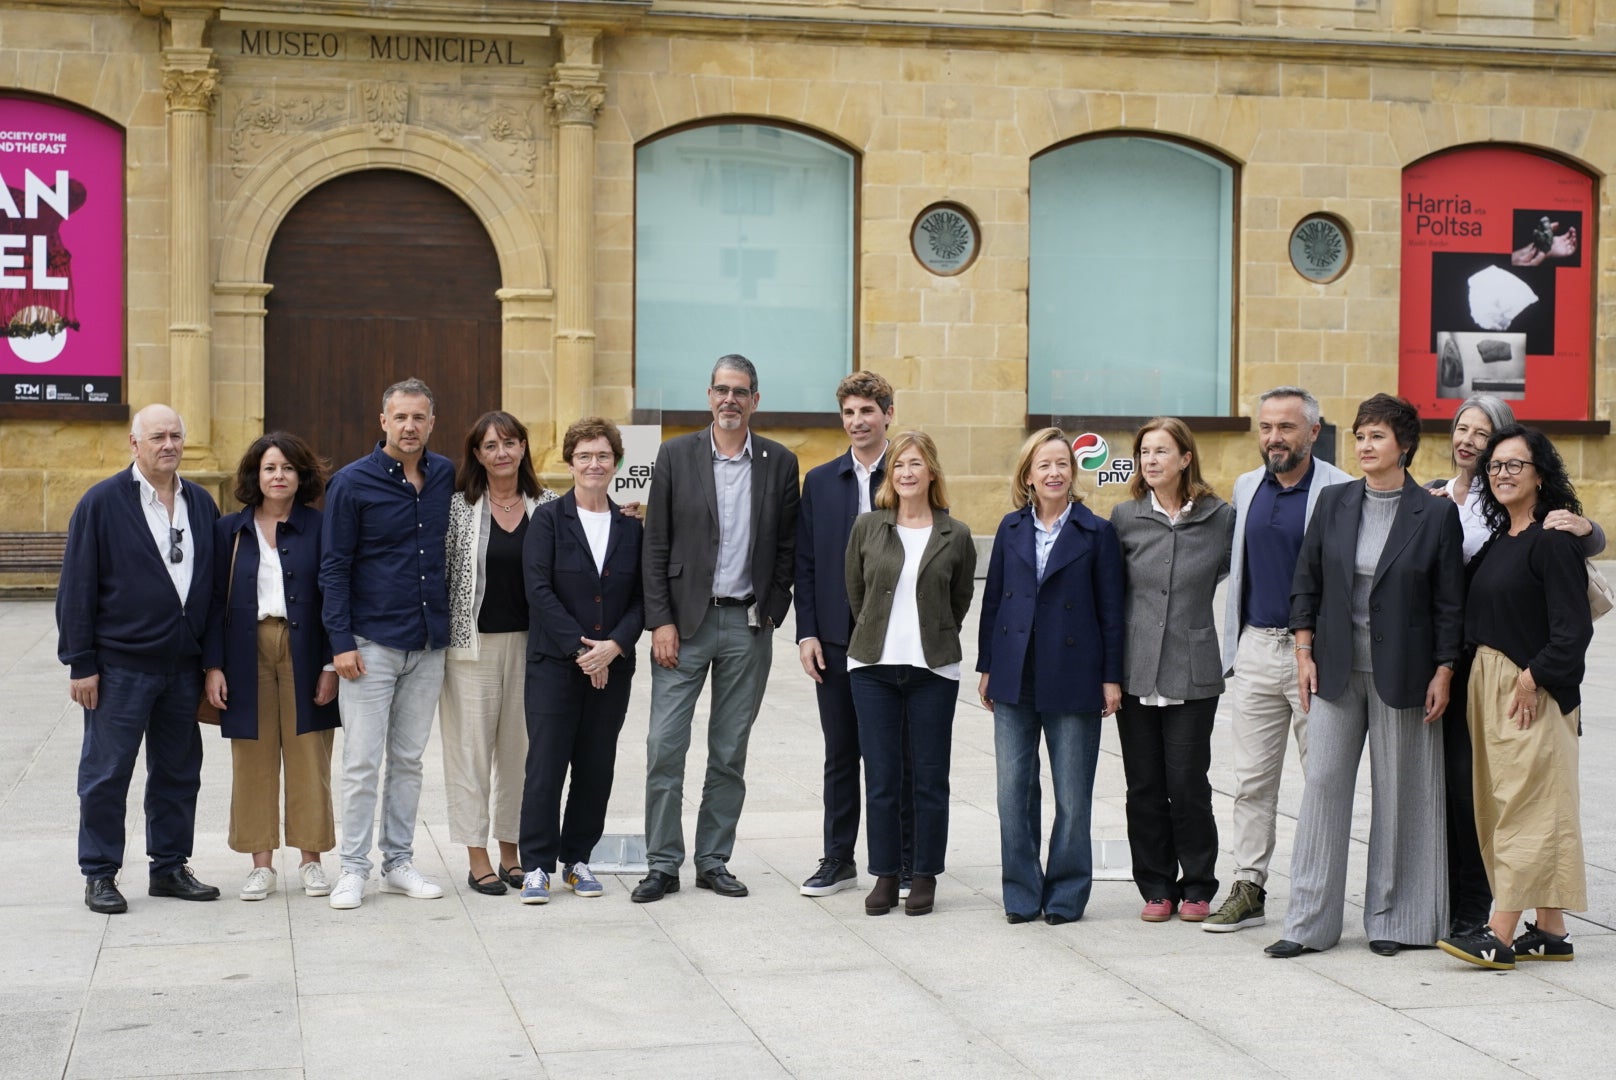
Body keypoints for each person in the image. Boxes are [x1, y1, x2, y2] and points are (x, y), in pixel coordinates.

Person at [1267, 393, 1464, 959]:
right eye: (1359, 436)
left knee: (1401, 794)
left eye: (1376, 436)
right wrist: (1303, 651)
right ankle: (1308, 923)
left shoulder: (1435, 512)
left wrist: (1445, 669)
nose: (1364, 446)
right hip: (1334, 669)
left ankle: (1396, 920)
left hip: (1405, 671)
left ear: (1403, 444)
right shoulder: (1333, 501)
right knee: (1324, 785)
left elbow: (1450, 601)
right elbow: (1307, 581)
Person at [1427, 395, 1603, 937]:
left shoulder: (1555, 538)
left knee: (1525, 806)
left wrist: (1531, 678)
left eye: (1514, 464)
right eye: (1496, 466)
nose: (1502, 473)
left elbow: (1574, 631)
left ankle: (1499, 930)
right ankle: (1550, 929)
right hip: (1488, 682)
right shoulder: (1504, 535)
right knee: (1508, 802)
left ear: (1539, 474)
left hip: (1529, 688)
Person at [635, 354, 800, 903]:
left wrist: (773, 607)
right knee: (665, 745)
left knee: (729, 750)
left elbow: (786, 547)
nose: (730, 400)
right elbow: (655, 543)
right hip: (684, 624)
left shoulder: (779, 462)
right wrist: (659, 620)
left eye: (741, 391)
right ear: (709, 396)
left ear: (756, 399)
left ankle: (712, 860)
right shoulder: (675, 455)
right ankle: (662, 863)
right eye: (722, 390)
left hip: (748, 625)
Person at [58, 404, 221, 913]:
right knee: (106, 774)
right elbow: (77, 588)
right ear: (135, 443)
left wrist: (212, 661)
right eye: (157, 437)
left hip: (182, 669)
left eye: (175, 436)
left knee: (177, 773)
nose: (168, 445)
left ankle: (170, 867)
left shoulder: (199, 503)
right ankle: (100, 873)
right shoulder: (103, 503)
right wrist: (80, 662)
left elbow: (215, 591)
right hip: (120, 668)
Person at [1202, 386, 1350, 933]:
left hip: (1318, 656)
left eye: (1285, 428)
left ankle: (1319, 892)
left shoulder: (1340, 488)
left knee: (1324, 781)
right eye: (1265, 427)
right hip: (1257, 649)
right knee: (1252, 780)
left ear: (1313, 431)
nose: (1273, 438)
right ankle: (1249, 886)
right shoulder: (1246, 487)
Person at [978, 428, 1123, 925]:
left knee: (1072, 794)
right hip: (1016, 673)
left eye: (1062, 463)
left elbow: (1111, 612)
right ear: (1028, 474)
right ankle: (1021, 892)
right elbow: (993, 600)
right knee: (1012, 791)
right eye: (1044, 465)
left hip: (1075, 675)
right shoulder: (1010, 528)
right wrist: (987, 665)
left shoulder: (1097, 532)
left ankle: (1065, 894)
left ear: (1073, 472)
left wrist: (1111, 677)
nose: (1054, 472)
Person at [320, 377, 454, 910]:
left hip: (429, 644)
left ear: (431, 422)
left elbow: (515, 497)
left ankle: (398, 862)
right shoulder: (352, 483)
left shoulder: (446, 475)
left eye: (419, 417)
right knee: (360, 761)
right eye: (400, 417)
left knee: (408, 760)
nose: (410, 426)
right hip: (370, 644)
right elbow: (334, 567)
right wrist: (340, 643)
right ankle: (353, 869)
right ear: (383, 421)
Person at [202, 433, 340, 901]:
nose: (278, 476)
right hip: (246, 649)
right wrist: (213, 666)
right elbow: (214, 601)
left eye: (287, 468)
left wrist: (331, 663)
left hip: (307, 646)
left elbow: (335, 595)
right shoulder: (229, 531)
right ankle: (260, 863)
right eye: (269, 468)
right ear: (255, 476)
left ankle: (311, 860)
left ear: (301, 476)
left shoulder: (321, 527)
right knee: (253, 758)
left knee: (309, 754)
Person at [795, 371, 916, 898]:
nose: (858, 421)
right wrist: (808, 633)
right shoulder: (820, 481)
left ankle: (906, 860)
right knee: (841, 751)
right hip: (838, 639)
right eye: (849, 412)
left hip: (898, 638)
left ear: (888, 413)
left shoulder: (912, 474)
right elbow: (805, 561)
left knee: (897, 754)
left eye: (868, 411)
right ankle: (838, 857)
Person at [1109, 419, 1235, 924]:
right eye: (1144, 452)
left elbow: (1243, 575)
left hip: (1193, 667)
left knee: (1186, 782)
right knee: (1143, 785)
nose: (1151, 460)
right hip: (1136, 668)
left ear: (1186, 458)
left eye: (1162, 451)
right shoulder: (1124, 517)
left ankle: (1199, 885)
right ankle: (1156, 885)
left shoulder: (1221, 517)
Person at [846, 430, 976, 917]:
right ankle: (884, 873)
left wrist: (934, 634)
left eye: (916, 464)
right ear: (890, 474)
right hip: (873, 668)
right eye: (899, 465)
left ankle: (924, 874)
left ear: (932, 472)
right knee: (880, 776)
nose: (906, 473)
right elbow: (856, 593)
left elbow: (960, 599)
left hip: (933, 670)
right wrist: (882, 634)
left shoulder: (955, 533)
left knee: (929, 777)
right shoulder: (868, 527)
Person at [517, 418, 644, 904]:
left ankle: (577, 860)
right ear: (569, 462)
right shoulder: (547, 520)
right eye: (585, 455)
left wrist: (614, 646)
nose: (594, 464)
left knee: (596, 766)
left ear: (616, 463)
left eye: (604, 455)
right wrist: (582, 649)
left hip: (614, 664)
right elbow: (539, 591)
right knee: (546, 766)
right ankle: (536, 866)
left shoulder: (631, 526)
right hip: (555, 664)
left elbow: (642, 597)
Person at [441, 412, 557, 896]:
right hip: (472, 648)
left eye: (510, 443)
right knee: (469, 753)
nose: (502, 453)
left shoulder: (549, 505)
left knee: (520, 755)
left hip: (534, 647)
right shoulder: (458, 508)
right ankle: (476, 855)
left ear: (524, 448)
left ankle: (512, 850)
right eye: (490, 446)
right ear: (477, 455)